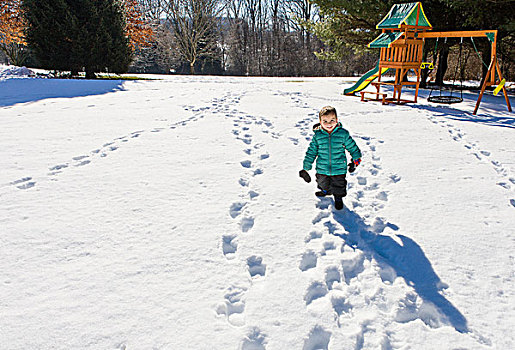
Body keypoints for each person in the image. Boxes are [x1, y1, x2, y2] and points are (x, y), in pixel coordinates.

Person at [299, 106, 362, 210]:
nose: (329, 124)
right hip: (322, 168)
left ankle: (338, 198)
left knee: (339, 185)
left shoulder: (342, 134)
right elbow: (311, 152)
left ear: (337, 120)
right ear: (320, 122)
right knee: (322, 182)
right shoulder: (318, 136)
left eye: (332, 120)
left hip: (339, 168)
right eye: (325, 121)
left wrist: (355, 160)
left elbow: (353, 147)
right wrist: (306, 167)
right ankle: (325, 191)